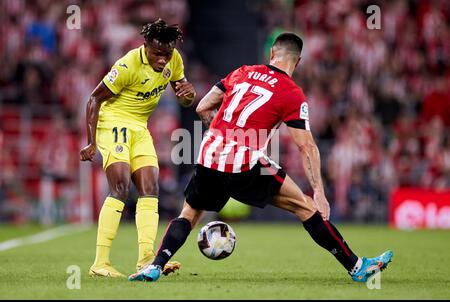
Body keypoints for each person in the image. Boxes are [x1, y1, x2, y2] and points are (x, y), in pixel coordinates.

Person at [129, 33, 392, 283]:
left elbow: (202, 106)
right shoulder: (291, 92)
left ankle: (154, 266)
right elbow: (306, 146)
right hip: (244, 162)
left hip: (209, 154)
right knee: (306, 206)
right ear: (297, 61)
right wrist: (319, 191)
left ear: (271, 53)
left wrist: (220, 135)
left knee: (189, 213)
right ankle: (358, 267)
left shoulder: (242, 72)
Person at [79, 19, 196, 278]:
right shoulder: (127, 65)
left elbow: (185, 98)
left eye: (166, 54)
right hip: (113, 123)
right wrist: (91, 141)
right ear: (146, 47)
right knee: (120, 188)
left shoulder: (175, 59)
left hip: (140, 128)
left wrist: (188, 94)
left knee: (150, 189)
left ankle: (147, 260)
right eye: (157, 54)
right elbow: (94, 99)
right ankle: (100, 263)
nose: (163, 60)